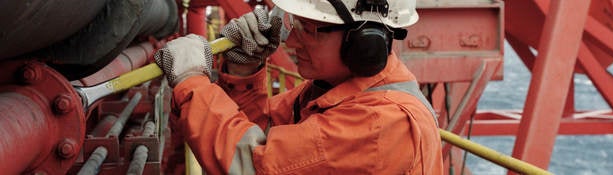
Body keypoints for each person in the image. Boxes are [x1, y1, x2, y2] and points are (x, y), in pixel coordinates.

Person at [154, 0, 443, 174]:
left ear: (365, 43)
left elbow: (252, 166)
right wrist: (244, 73)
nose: (290, 41)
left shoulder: (382, 124)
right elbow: (262, 136)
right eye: (296, 24)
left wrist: (191, 81)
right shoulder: (329, 93)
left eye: (308, 28)